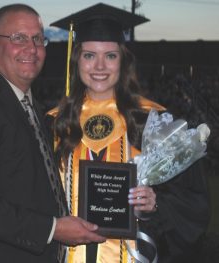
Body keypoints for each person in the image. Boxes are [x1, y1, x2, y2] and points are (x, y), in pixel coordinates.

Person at [0, 4, 106, 263]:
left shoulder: (31, 108)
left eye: (38, 38)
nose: (32, 48)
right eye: (18, 38)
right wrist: (54, 228)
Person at [47, 3, 210, 263]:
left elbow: (193, 203)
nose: (99, 65)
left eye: (110, 55)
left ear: (123, 61)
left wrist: (154, 206)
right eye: (89, 55)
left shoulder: (154, 122)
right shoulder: (54, 123)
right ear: (77, 60)